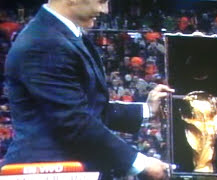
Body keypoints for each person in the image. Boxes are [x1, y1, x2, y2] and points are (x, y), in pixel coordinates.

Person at [1, 0, 174, 179]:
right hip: (48, 170)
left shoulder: (64, 35)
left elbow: (90, 108)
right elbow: (74, 122)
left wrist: (146, 109)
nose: (105, 10)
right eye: (101, 1)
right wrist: (139, 163)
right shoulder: (44, 42)